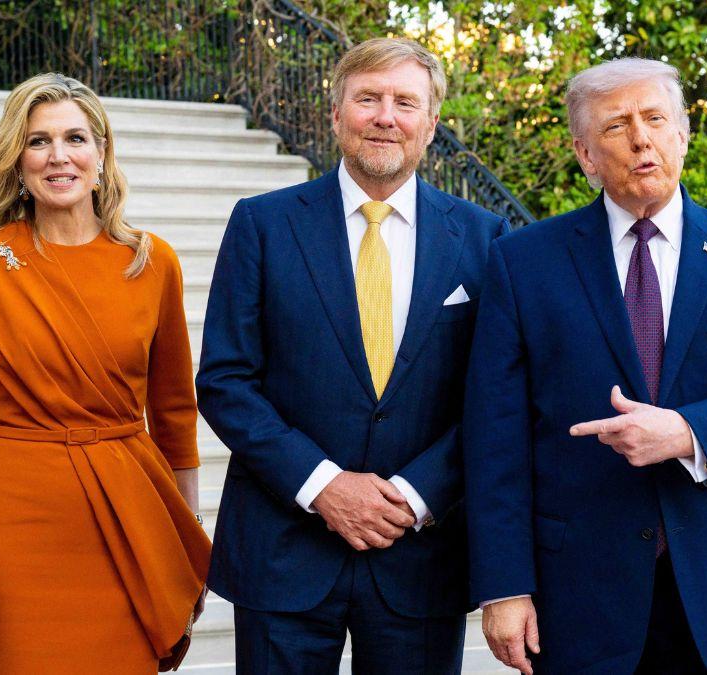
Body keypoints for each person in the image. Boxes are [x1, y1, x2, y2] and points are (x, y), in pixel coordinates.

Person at [462, 57, 707, 675]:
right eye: (616, 126)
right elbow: (494, 439)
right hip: (576, 592)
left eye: (655, 118)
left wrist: (688, 432)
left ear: (682, 133)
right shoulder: (522, 263)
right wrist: (504, 588)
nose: (641, 139)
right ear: (585, 154)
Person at [196, 37, 509, 673]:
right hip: (284, 547)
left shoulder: (485, 239)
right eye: (367, 98)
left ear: (431, 124)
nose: (385, 116)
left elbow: (495, 397)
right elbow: (226, 380)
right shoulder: (261, 223)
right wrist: (324, 486)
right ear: (336, 114)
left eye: (404, 102)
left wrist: (416, 494)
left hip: (419, 553)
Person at [0, 72, 210, 672]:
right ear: (18, 161)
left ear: (102, 155)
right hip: (15, 524)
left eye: (75, 138)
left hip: (127, 516)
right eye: (38, 141)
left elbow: (175, 415)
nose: (59, 157)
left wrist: (182, 537)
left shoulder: (152, 262)